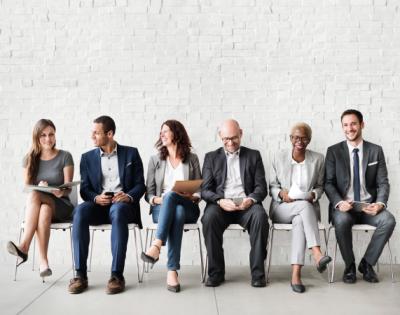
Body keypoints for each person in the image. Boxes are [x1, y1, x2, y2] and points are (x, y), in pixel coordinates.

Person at [68, 116, 145, 294]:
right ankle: (80, 275)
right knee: (79, 210)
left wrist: (127, 196)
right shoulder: (86, 158)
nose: (92, 136)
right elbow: (85, 189)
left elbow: (140, 185)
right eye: (92, 132)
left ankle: (116, 275)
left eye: (96, 132)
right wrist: (95, 198)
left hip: (123, 207)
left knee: (117, 210)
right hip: (99, 206)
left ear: (109, 134)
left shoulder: (131, 153)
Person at [325, 109, 396, 283]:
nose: (350, 128)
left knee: (388, 220)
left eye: (353, 123)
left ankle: (367, 264)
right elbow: (328, 182)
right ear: (342, 128)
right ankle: (349, 266)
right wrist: (339, 202)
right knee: (341, 221)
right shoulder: (334, 151)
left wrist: (380, 203)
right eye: (346, 125)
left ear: (362, 125)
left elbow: (383, 183)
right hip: (345, 208)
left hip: (368, 207)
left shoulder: (375, 150)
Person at [201, 119, 269, 288]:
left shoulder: (254, 155)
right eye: (226, 139)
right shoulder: (211, 157)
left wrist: (251, 199)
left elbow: (261, 187)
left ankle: (258, 274)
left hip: (246, 204)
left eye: (234, 138)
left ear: (241, 133)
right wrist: (219, 200)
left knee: (260, 217)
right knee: (208, 219)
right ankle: (216, 273)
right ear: (220, 137)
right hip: (221, 205)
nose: (230, 143)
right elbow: (205, 189)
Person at [7, 119, 74, 281]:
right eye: (43, 135)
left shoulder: (65, 156)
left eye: (51, 134)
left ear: (55, 135)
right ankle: (44, 262)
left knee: (36, 195)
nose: (48, 138)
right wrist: (39, 185)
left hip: (62, 205)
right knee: (43, 208)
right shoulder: (30, 159)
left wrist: (59, 191)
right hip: (40, 207)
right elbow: (28, 188)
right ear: (37, 137)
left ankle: (24, 246)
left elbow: (68, 188)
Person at [269, 122, 332, 293]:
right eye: (296, 137)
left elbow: (320, 186)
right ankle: (317, 253)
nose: (300, 141)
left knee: (299, 220)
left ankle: (296, 274)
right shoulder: (278, 157)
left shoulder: (318, 159)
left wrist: (314, 195)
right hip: (282, 208)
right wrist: (282, 194)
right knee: (303, 207)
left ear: (309, 140)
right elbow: (272, 186)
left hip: (304, 211)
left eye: (304, 138)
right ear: (291, 138)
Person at [141, 120, 201, 293]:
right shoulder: (155, 160)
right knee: (176, 209)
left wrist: (192, 195)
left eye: (166, 131)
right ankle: (172, 270)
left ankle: (157, 245)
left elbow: (200, 189)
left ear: (177, 133)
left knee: (175, 199)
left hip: (188, 205)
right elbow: (149, 194)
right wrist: (159, 200)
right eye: (161, 132)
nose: (162, 134)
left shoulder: (192, 158)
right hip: (162, 209)